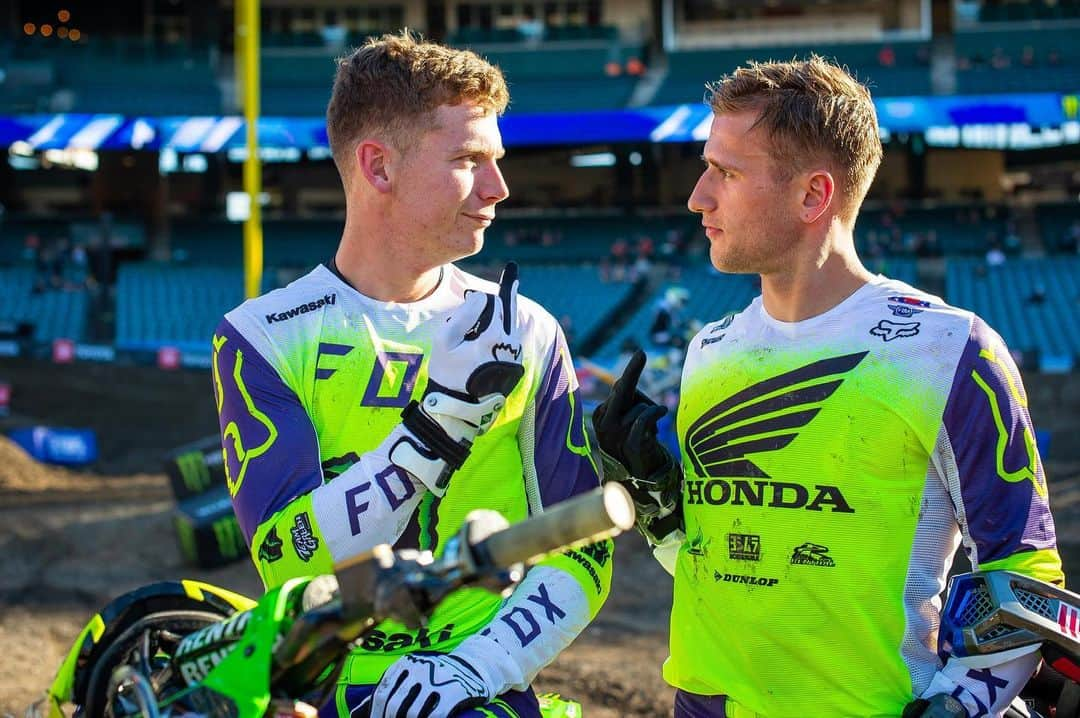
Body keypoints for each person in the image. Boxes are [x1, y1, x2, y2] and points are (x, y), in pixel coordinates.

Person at [592, 55, 1062, 718]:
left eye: (724, 172)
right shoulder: (710, 350)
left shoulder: (951, 351)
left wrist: (958, 708)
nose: (697, 196)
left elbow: (1025, 574)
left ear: (813, 195)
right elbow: (726, 570)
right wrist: (659, 506)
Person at [211, 33, 610, 718]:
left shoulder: (528, 331)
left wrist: (473, 667)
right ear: (379, 166)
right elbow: (287, 560)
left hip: (480, 690)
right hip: (325, 695)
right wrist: (434, 429)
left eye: (497, 160)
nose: (499, 187)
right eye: (468, 160)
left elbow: (583, 547)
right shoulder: (262, 335)